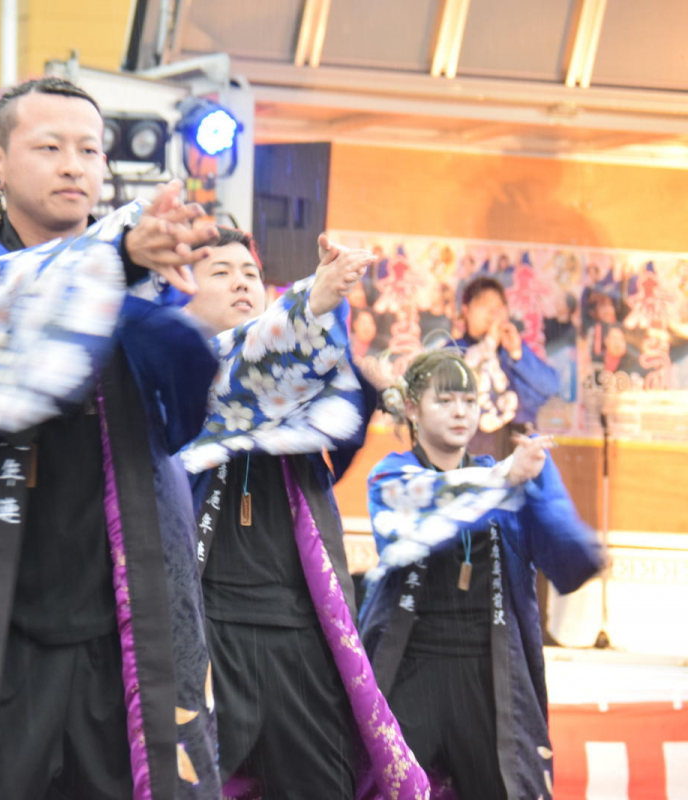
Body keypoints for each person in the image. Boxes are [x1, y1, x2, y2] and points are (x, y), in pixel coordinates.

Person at [0, 76, 224, 799]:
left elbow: (185, 413)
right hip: (0, 600)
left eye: (90, 150)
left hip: (124, 600)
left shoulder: (138, 269)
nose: (74, 166)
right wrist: (117, 262)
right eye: (49, 147)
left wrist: (159, 287)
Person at [180, 228, 427, 799]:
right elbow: (245, 362)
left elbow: (329, 457)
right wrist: (315, 296)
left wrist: (363, 392)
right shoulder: (175, 372)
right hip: (205, 622)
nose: (242, 280)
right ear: (182, 293)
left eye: (249, 271)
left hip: (298, 625)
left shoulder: (297, 389)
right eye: (220, 272)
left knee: (323, 783)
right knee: (190, 785)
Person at [359, 350, 603, 800]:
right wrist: (506, 478)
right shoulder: (392, 476)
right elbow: (423, 504)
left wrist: (543, 489)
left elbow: (568, 557)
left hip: (487, 673)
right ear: (412, 408)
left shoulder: (504, 479)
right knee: (387, 788)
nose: (459, 412)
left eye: (468, 402)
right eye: (445, 400)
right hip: (412, 668)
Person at [457, 276, 559, 456]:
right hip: (472, 455)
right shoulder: (454, 350)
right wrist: (487, 345)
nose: (493, 314)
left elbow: (550, 387)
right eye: (484, 305)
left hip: (517, 451)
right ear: (466, 311)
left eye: (499, 307)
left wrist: (518, 354)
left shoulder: (512, 351)